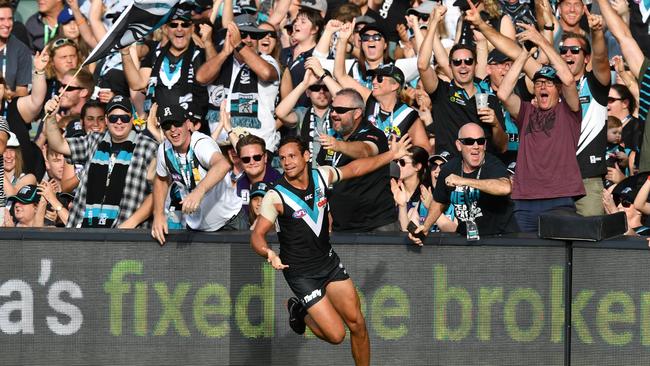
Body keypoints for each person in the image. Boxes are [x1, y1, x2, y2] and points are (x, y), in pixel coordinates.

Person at [250, 134, 411, 366]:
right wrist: (268, 253)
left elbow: (355, 168)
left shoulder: (322, 175)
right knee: (337, 336)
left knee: (357, 323)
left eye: (293, 156)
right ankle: (299, 310)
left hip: (328, 264)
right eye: (283, 158)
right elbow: (256, 235)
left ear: (307, 156)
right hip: (301, 274)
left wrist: (391, 156)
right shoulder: (275, 196)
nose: (287, 162)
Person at [496, 44, 584, 231]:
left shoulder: (569, 112)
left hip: (559, 198)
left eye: (549, 82)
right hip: (525, 200)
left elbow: (568, 80)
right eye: (538, 83)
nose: (543, 86)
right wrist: (524, 55)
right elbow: (503, 93)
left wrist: (541, 41)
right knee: (527, 258)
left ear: (558, 89)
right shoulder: (526, 111)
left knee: (558, 257)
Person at [43, 94, 159, 229]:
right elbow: (58, 145)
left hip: (125, 234)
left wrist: (130, 223)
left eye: (124, 118)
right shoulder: (94, 140)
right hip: (85, 230)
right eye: (114, 118)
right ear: (106, 120)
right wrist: (51, 117)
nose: (119, 122)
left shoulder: (148, 146)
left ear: (132, 119)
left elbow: (157, 192)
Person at [417, 6, 507, 155]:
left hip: (482, 170)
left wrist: (496, 124)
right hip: (451, 167)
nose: (463, 66)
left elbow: (502, 147)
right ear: (450, 66)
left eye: (468, 61)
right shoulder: (442, 92)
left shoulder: (489, 98)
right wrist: (433, 24)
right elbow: (422, 65)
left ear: (475, 65)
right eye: (457, 62)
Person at [409, 123, 518, 244]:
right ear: (459, 145)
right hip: (467, 237)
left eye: (480, 141)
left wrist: (464, 181)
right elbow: (439, 201)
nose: (476, 146)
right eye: (469, 141)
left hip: (499, 238)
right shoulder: (449, 168)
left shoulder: (492, 164)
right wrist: (426, 227)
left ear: (485, 145)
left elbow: (505, 187)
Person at [151, 104, 243, 245]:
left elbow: (222, 164)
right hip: (195, 228)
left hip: (229, 223)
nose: (173, 130)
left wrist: (198, 191)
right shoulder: (164, 149)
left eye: (176, 124)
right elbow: (161, 180)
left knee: (242, 267)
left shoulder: (201, 143)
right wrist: (158, 215)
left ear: (188, 124)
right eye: (167, 126)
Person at [316, 88, 397, 232]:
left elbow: (366, 150)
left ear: (357, 113)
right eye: (332, 109)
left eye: (340, 110)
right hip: (341, 227)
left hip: (377, 226)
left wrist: (339, 146)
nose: (334, 114)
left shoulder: (374, 134)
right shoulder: (332, 139)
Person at [235, 134, 282, 216]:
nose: (252, 162)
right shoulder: (236, 186)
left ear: (265, 157)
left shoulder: (280, 185)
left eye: (257, 157)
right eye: (246, 159)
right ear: (240, 162)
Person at [0, 0, 33, 98]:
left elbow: (22, 92)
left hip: (7, 109)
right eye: (1, 19)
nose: (7, 24)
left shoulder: (21, 50)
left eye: (10, 19)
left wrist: (7, 95)